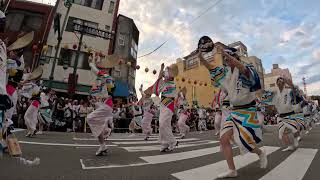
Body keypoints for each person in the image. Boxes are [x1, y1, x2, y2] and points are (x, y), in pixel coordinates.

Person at [198, 38, 266, 178]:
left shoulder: (246, 68)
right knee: (224, 139)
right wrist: (200, 56)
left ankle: (260, 153)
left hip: (247, 112)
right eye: (224, 58)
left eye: (228, 57)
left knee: (244, 142)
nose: (226, 60)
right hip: (234, 111)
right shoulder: (226, 73)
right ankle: (232, 170)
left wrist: (225, 53)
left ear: (235, 57)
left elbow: (243, 69)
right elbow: (211, 68)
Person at [86, 54, 117, 156]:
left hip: (106, 105)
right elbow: (96, 73)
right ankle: (103, 141)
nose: (102, 68)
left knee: (90, 118)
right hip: (102, 104)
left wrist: (91, 63)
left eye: (104, 67)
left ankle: (105, 136)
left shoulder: (106, 76)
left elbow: (97, 72)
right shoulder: (103, 77)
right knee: (96, 123)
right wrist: (94, 61)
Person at [262, 77, 303, 151]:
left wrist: (292, 85)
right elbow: (265, 96)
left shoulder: (289, 91)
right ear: (276, 83)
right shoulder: (275, 92)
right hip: (280, 116)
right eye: (278, 81)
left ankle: (296, 139)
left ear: (284, 83)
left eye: (281, 81)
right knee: (282, 133)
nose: (280, 82)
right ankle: (290, 146)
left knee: (294, 130)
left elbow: (296, 92)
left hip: (290, 114)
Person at [146, 63, 179, 152]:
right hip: (163, 105)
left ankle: (173, 141)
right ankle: (165, 144)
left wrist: (164, 70)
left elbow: (174, 98)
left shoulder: (172, 84)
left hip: (169, 105)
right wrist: (161, 68)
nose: (165, 74)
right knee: (163, 124)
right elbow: (160, 78)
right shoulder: (163, 83)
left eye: (167, 73)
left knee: (163, 123)